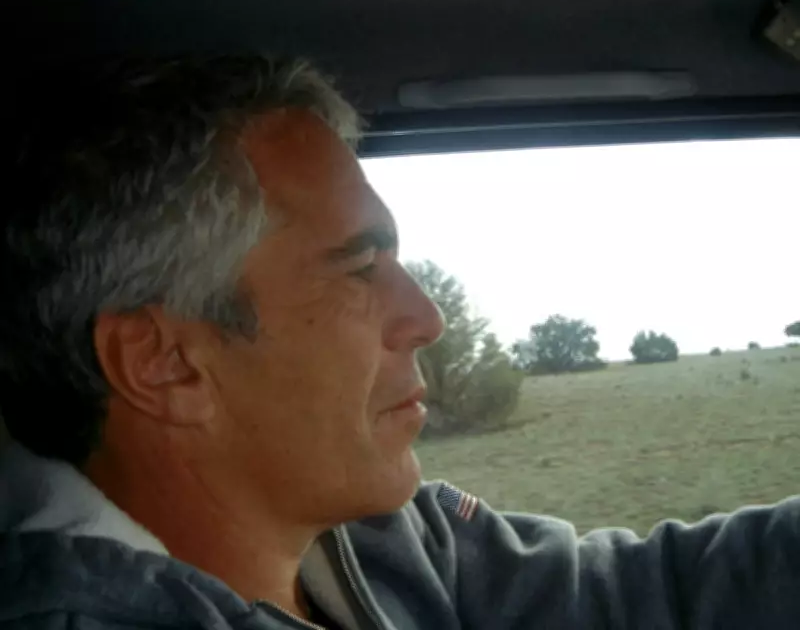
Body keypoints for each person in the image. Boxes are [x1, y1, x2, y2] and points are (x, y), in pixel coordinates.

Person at [1, 56, 799, 630]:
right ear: (164, 363)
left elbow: (636, 597)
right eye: (359, 270)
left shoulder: (384, 541)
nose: (426, 318)